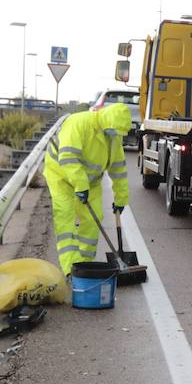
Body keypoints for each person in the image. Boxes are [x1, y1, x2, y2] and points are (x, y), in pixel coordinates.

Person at [44, 103, 133, 277]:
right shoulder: (78, 123)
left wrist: (121, 198)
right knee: (65, 218)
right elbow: (68, 157)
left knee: (93, 220)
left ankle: (84, 266)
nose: (116, 135)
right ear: (107, 121)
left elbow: (119, 169)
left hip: (90, 183)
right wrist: (80, 186)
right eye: (115, 130)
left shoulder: (112, 136)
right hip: (61, 176)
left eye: (119, 133)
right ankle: (71, 269)